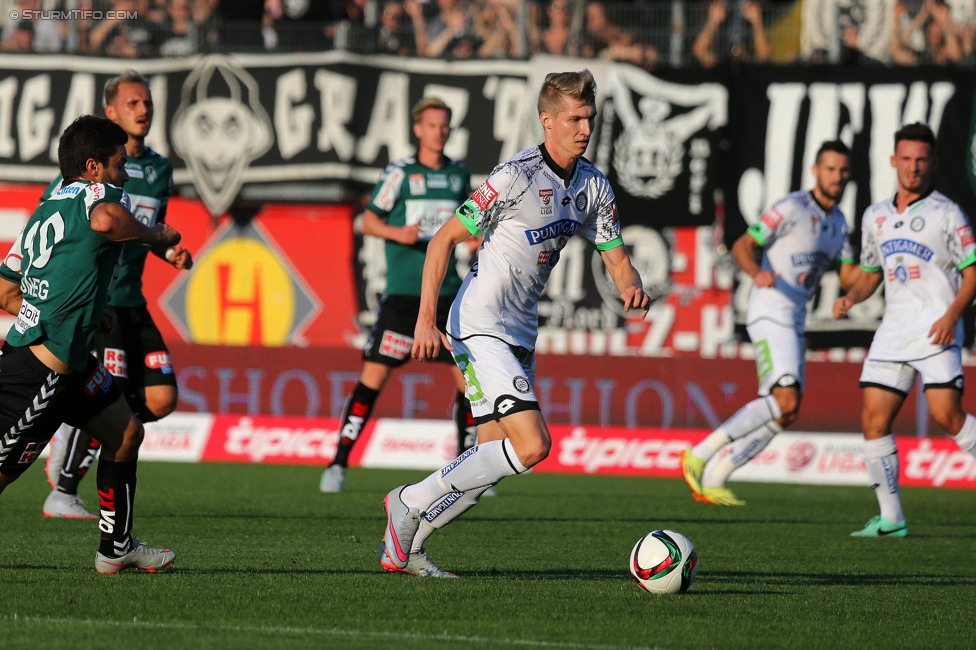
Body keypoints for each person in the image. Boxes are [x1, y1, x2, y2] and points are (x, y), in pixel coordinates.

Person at [379, 70, 650, 578]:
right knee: (532, 445)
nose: (584, 127)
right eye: (574, 118)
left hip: (520, 331)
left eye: (589, 117)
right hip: (479, 322)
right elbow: (441, 241)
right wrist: (423, 321)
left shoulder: (594, 185)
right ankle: (407, 501)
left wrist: (630, 284)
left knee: (488, 460)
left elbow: (615, 256)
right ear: (547, 121)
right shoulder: (515, 177)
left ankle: (408, 547)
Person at [0, 114, 180, 573]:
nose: (124, 174)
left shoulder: (48, 206)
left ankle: (116, 547)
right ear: (94, 167)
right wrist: (155, 234)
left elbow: (5, 290)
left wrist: (76, 311)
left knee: (125, 434)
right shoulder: (100, 194)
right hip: (40, 373)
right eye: (119, 164)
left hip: (70, 363)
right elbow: (106, 220)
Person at [42, 71, 193, 519]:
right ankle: (64, 490)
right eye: (132, 103)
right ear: (111, 112)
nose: (143, 109)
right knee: (116, 392)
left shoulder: (160, 169)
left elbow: (145, 230)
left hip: (133, 299)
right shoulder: (88, 172)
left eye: (147, 102)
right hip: (100, 300)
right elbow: (59, 218)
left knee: (162, 398)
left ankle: (78, 432)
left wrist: (169, 251)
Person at [680, 141, 859, 506]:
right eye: (830, 169)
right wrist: (756, 273)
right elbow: (745, 244)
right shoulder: (792, 207)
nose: (837, 177)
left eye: (843, 171)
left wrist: (880, 267)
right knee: (784, 399)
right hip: (770, 309)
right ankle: (699, 455)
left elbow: (851, 274)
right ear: (816, 170)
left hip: (795, 317)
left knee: (785, 411)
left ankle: (715, 477)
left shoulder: (839, 222)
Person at [320, 97, 475, 494]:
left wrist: (474, 238)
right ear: (417, 129)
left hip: (448, 295)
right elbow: (367, 220)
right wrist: (396, 233)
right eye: (432, 125)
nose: (439, 132)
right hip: (404, 297)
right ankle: (338, 462)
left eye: (445, 125)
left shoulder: (458, 176)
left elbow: (469, 223)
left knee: (468, 383)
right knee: (373, 378)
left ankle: (469, 468)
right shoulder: (401, 174)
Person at [833, 123, 976, 537]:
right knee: (873, 421)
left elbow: (972, 274)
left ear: (932, 163)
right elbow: (870, 274)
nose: (913, 167)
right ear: (894, 160)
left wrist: (951, 317)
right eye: (906, 159)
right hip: (893, 332)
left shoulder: (948, 213)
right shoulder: (875, 215)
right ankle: (892, 518)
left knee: (947, 416)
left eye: (921, 160)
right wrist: (851, 298)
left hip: (936, 330)